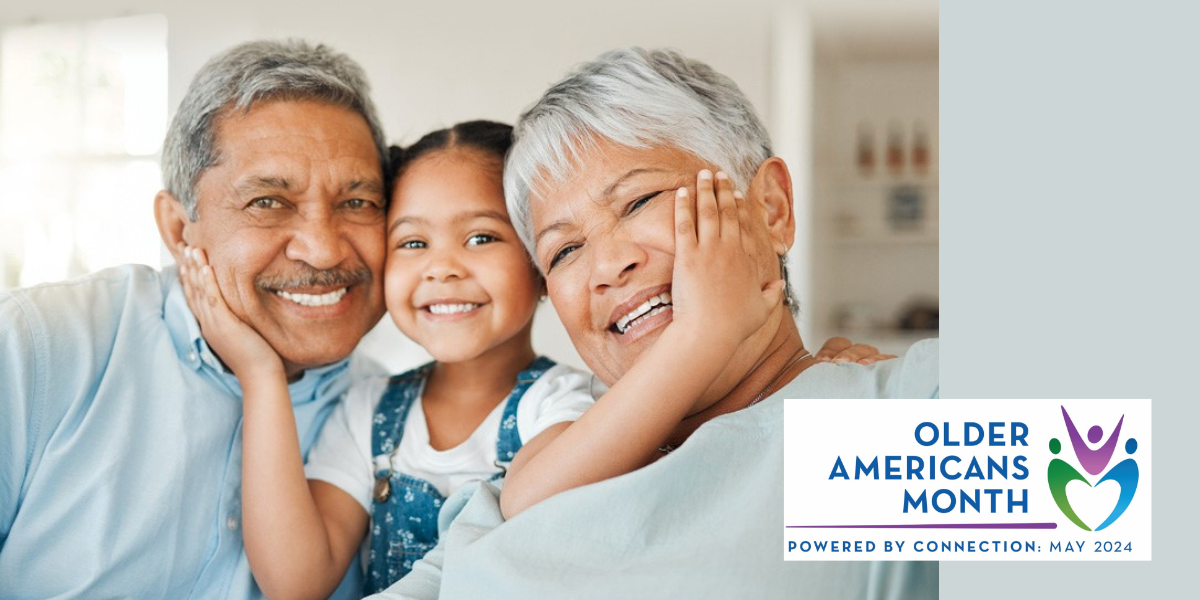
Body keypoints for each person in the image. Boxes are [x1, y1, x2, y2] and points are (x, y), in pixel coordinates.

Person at [177, 120, 883, 599]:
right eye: (413, 243)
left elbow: (535, 494)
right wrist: (261, 377)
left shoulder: (571, 407)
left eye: (482, 238)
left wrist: (811, 384)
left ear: (541, 270)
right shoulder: (372, 411)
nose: (443, 268)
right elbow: (296, 580)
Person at [376, 47, 940, 600]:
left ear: (771, 209)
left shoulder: (896, 426)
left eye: (640, 200)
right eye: (565, 250)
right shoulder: (540, 471)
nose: (607, 266)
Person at [0, 39, 390, 598]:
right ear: (179, 229)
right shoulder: (32, 348)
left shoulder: (392, 414)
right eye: (267, 202)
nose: (324, 251)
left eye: (357, 203)